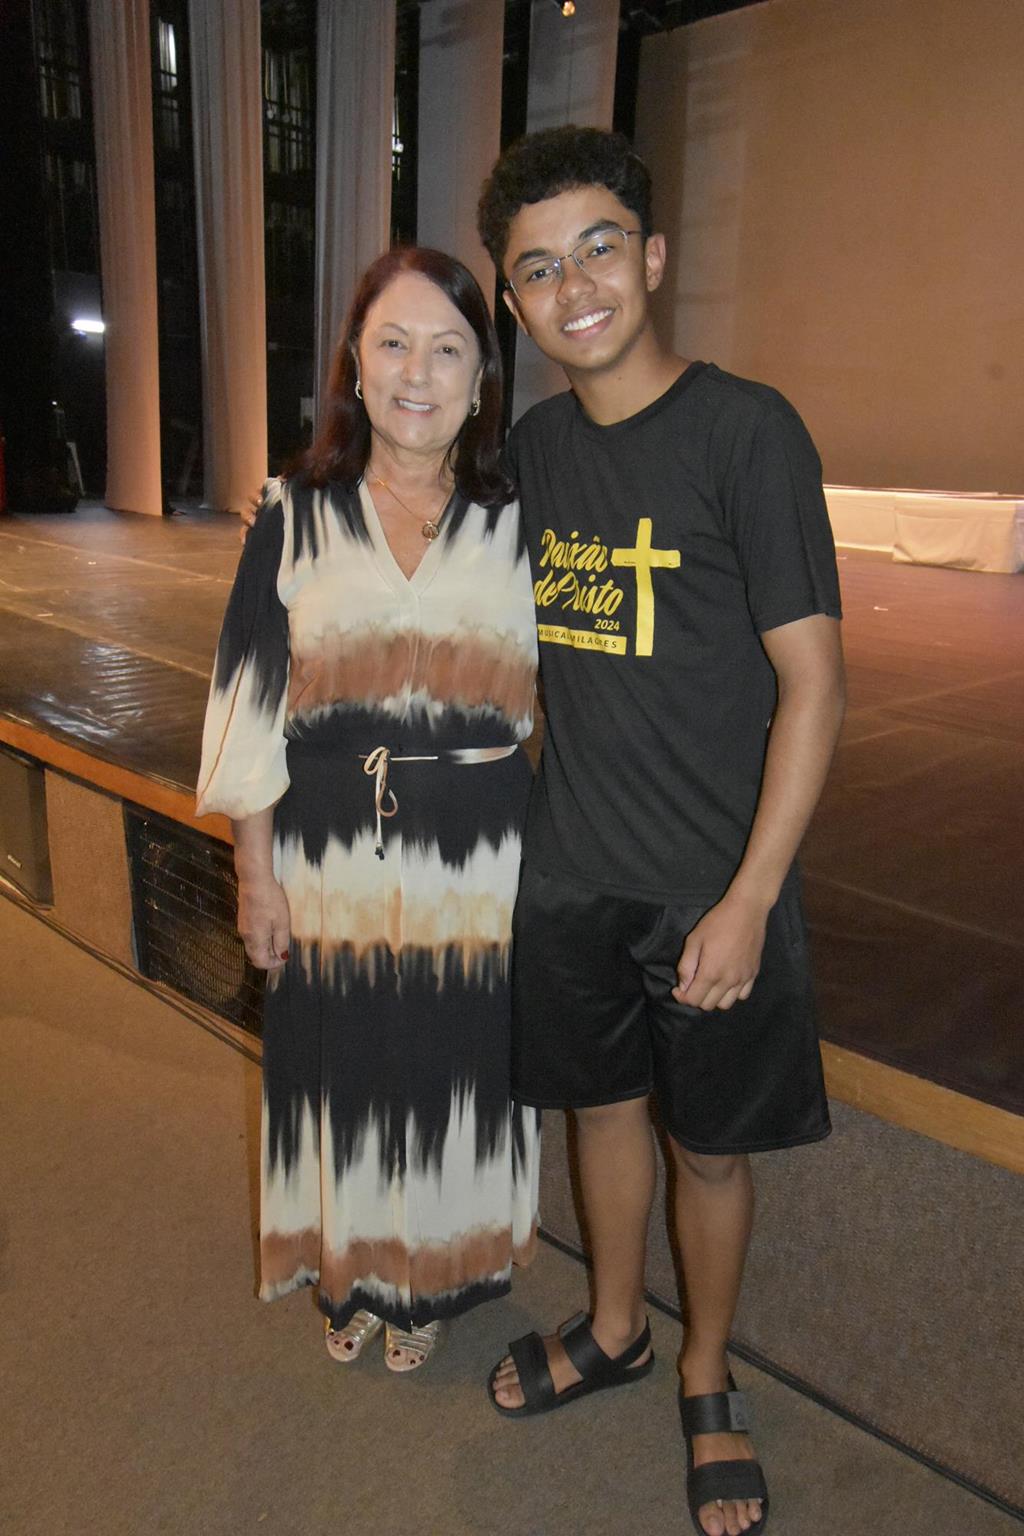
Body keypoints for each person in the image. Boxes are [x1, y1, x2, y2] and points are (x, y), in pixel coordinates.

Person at [476, 127, 845, 1536]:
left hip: (708, 889)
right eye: (537, 268)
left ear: (653, 257)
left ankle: (706, 1369)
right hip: (572, 877)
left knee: (709, 1149)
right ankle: (619, 1327)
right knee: (601, 1114)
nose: (573, 286)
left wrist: (750, 898)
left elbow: (814, 684)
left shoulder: (746, 430)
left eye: (598, 248)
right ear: (515, 301)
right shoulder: (535, 450)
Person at [197, 247, 540, 1373]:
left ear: (481, 381)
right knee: (339, 1066)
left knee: (451, 1066)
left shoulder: (521, 523)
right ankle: (349, 1269)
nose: (416, 373)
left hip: (479, 862)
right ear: (355, 362)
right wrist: (255, 874)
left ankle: (426, 1279)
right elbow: (248, 706)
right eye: (393, 343)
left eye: (448, 350)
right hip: (327, 855)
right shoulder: (292, 514)